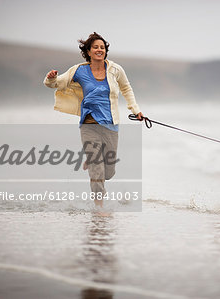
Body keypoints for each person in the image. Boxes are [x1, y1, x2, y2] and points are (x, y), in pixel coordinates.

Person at [43, 32, 144, 206]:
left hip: (110, 125)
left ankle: (91, 160)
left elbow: (126, 89)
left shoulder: (115, 70)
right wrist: (50, 78)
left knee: (109, 172)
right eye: (95, 47)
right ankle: (99, 206)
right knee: (97, 167)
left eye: (102, 47)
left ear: (105, 51)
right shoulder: (79, 70)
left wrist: (136, 110)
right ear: (88, 51)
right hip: (89, 125)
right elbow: (56, 83)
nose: (99, 50)